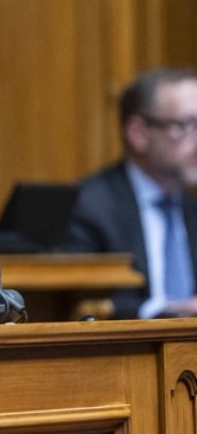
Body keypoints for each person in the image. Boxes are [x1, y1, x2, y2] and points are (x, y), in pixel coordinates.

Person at [59, 67, 197, 319]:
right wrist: (166, 311)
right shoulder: (87, 206)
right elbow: (75, 304)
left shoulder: (192, 208)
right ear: (139, 134)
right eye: (187, 125)